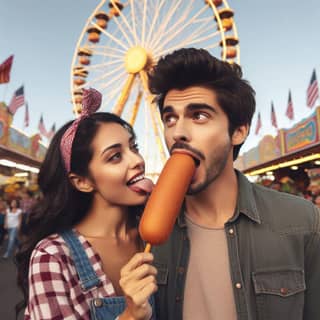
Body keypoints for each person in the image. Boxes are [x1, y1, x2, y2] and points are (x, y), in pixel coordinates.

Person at [148, 48, 320, 320]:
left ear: (239, 131)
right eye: (170, 118)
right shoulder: (140, 227)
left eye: (199, 116)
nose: (177, 132)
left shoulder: (303, 220)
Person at [16, 88, 157, 320]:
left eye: (134, 148)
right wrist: (130, 316)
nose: (138, 161)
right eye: (115, 156)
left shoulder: (157, 236)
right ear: (82, 182)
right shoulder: (52, 256)